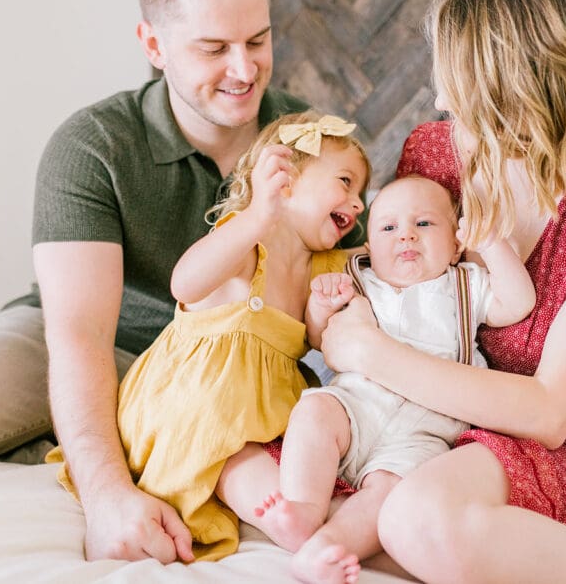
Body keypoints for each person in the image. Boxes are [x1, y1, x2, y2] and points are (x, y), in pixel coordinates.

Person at [0, 0, 355, 564]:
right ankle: (59, 434)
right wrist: (106, 494)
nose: (244, 69)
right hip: (94, 343)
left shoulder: (309, 142)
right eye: (214, 47)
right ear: (154, 44)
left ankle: (43, 440)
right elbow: (77, 336)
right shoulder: (92, 146)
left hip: (227, 375)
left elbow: (350, 284)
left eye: (258, 39)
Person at [315, 0, 566, 583]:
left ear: (518, 88)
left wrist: (368, 354)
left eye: (459, 82)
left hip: (556, 443)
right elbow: (391, 291)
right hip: (424, 421)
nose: (441, 95)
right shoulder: (436, 156)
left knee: (412, 519)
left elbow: (549, 413)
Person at [49, 111, 370, 562]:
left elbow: (328, 327)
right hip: (199, 398)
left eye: (361, 194)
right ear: (286, 179)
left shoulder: (323, 266)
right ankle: (282, 519)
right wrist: (258, 215)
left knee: (299, 458)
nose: (357, 205)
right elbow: (186, 284)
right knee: (234, 457)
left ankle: (310, 518)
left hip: (261, 408)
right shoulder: (247, 240)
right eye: (345, 182)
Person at [229, 175, 535, 583]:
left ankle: (328, 547)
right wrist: (322, 306)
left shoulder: (464, 285)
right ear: (371, 249)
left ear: (456, 243)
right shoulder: (361, 283)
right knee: (314, 410)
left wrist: (492, 244)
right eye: (389, 228)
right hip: (356, 405)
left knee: (391, 492)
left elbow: (518, 303)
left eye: (424, 224)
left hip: (426, 426)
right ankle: (303, 508)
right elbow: (323, 340)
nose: (406, 236)